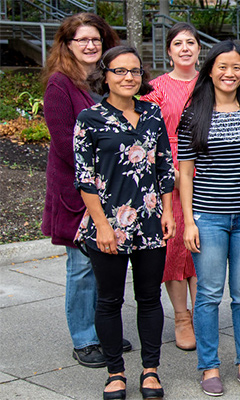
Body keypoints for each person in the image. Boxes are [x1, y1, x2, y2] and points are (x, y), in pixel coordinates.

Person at [75, 46, 174, 400]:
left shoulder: (151, 114)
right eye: (120, 71)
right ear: (105, 75)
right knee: (109, 300)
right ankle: (115, 372)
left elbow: (165, 167)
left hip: (149, 222)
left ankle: (150, 370)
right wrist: (102, 225)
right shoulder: (89, 119)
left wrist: (168, 211)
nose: (129, 77)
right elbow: (85, 178)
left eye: (135, 71)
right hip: (107, 224)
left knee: (149, 298)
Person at [177, 40, 240, 396]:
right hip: (209, 218)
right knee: (207, 295)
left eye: (236, 67)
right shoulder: (194, 114)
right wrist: (189, 221)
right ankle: (209, 367)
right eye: (222, 67)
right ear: (210, 71)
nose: (229, 73)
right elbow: (185, 173)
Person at [41, 12, 124, 368]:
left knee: (107, 264)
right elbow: (65, 145)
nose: (91, 46)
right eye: (82, 40)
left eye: (96, 39)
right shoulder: (60, 85)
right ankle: (85, 339)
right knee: (82, 266)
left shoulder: (103, 81)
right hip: (79, 192)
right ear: (68, 44)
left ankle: (103, 330)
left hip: (114, 190)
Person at [140, 22, 200, 351]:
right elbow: (148, 133)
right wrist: (169, 171)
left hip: (208, 168)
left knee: (203, 241)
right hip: (170, 170)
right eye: (178, 44)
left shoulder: (210, 82)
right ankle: (181, 316)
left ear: (198, 49)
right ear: (169, 51)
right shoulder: (156, 87)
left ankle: (202, 312)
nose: (185, 48)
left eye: (190, 42)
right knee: (175, 242)